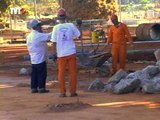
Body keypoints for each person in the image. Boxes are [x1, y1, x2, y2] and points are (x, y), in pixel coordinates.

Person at [51, 8, 81, 97]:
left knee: (61, 74)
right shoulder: (71, 25)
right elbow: (79, 36)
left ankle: (62, 92)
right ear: (65, 16)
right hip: (71, 52)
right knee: (73, 73)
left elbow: (53, 42)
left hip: (61, 54)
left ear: (58, 17)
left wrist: (54, 54)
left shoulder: (56, 28)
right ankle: (73, 92)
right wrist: (79, 26)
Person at [26, 19, 51, 93]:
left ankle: (34, 87)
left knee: (34, 73)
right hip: (40, 58)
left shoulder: (29, 36)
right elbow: (49, 36)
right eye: (39, 26)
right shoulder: (38, 35)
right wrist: (57, 29)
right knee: (42, 73)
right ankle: (41, 87)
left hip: (33, 58)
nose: (41, 27)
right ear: (35, 27)